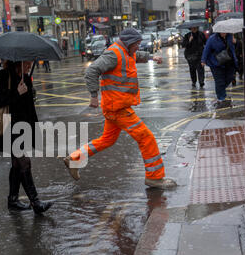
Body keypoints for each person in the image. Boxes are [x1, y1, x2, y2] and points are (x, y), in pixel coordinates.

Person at [63, 28, 177, 190]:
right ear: (129, 43)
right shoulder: (113, 54)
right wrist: (94, 96)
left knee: (107, 140)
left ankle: (74, 158)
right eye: (137, 44)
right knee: (146, 138)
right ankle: (155, 178)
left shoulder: (125, 52)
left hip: (114, 107)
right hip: (118, 109)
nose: (138, 47)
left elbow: (136, 56)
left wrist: (152, 57)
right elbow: (91, 71)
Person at [0, 60, 53, 214]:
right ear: (18, 62)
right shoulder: (3, 76)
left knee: (17, 165)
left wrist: (30, 92)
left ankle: (12, 200)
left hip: (23, 126)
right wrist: (16, 93)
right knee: (24, 162)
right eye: (27, 63)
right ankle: (36, 202)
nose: (30, 65)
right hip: (9, 127)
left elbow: (28, 106)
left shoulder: (25, 77)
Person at [201, 32, 238, 109]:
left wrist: (235, 42)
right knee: (219, 81)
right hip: (216, 63)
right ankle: (221, 97)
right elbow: (206, 49)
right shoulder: (212, 38)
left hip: (228, 62)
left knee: (230, 78)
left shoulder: (230, 36)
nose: (223, 33)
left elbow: (234, 49)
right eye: (222, 31)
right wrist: (203, 60)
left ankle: (220, 90)